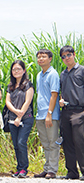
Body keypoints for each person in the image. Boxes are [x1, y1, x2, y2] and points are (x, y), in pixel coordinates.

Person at [34, 49, 60, 179]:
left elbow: (54, 95)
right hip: (40, 115)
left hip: (50, 115)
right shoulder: (39, 75)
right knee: (45, 143)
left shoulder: (53, 74)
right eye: (39, 57)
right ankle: (47, 167)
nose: (40, 59)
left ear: (50, 59)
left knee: (53, 142)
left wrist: (49, 114)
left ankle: (52, 170)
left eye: (43, 57)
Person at [59, 45, 84, 180]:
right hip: (66, 111)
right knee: (67, 142)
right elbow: (63, 91)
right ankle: (72, 172)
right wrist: (61, 100)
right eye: (63, 56)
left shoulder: (81, 70)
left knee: (80, 142)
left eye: (68, 55)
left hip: (80, 111)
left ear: (74, 54)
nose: (66, 58)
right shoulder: (63, 74)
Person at [5, 60, 34, 178]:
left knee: (21, 142)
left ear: (24, 71)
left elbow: (28, 101)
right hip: (12, 118)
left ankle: (24, 169)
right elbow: (7, 101)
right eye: (14, 69)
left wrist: (19, 116)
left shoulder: (28, 84)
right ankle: (18, 168)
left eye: (18, 69)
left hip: (26, 118)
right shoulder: (10, 86)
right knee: (16, 144)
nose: (16, 71)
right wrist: (15, 112)